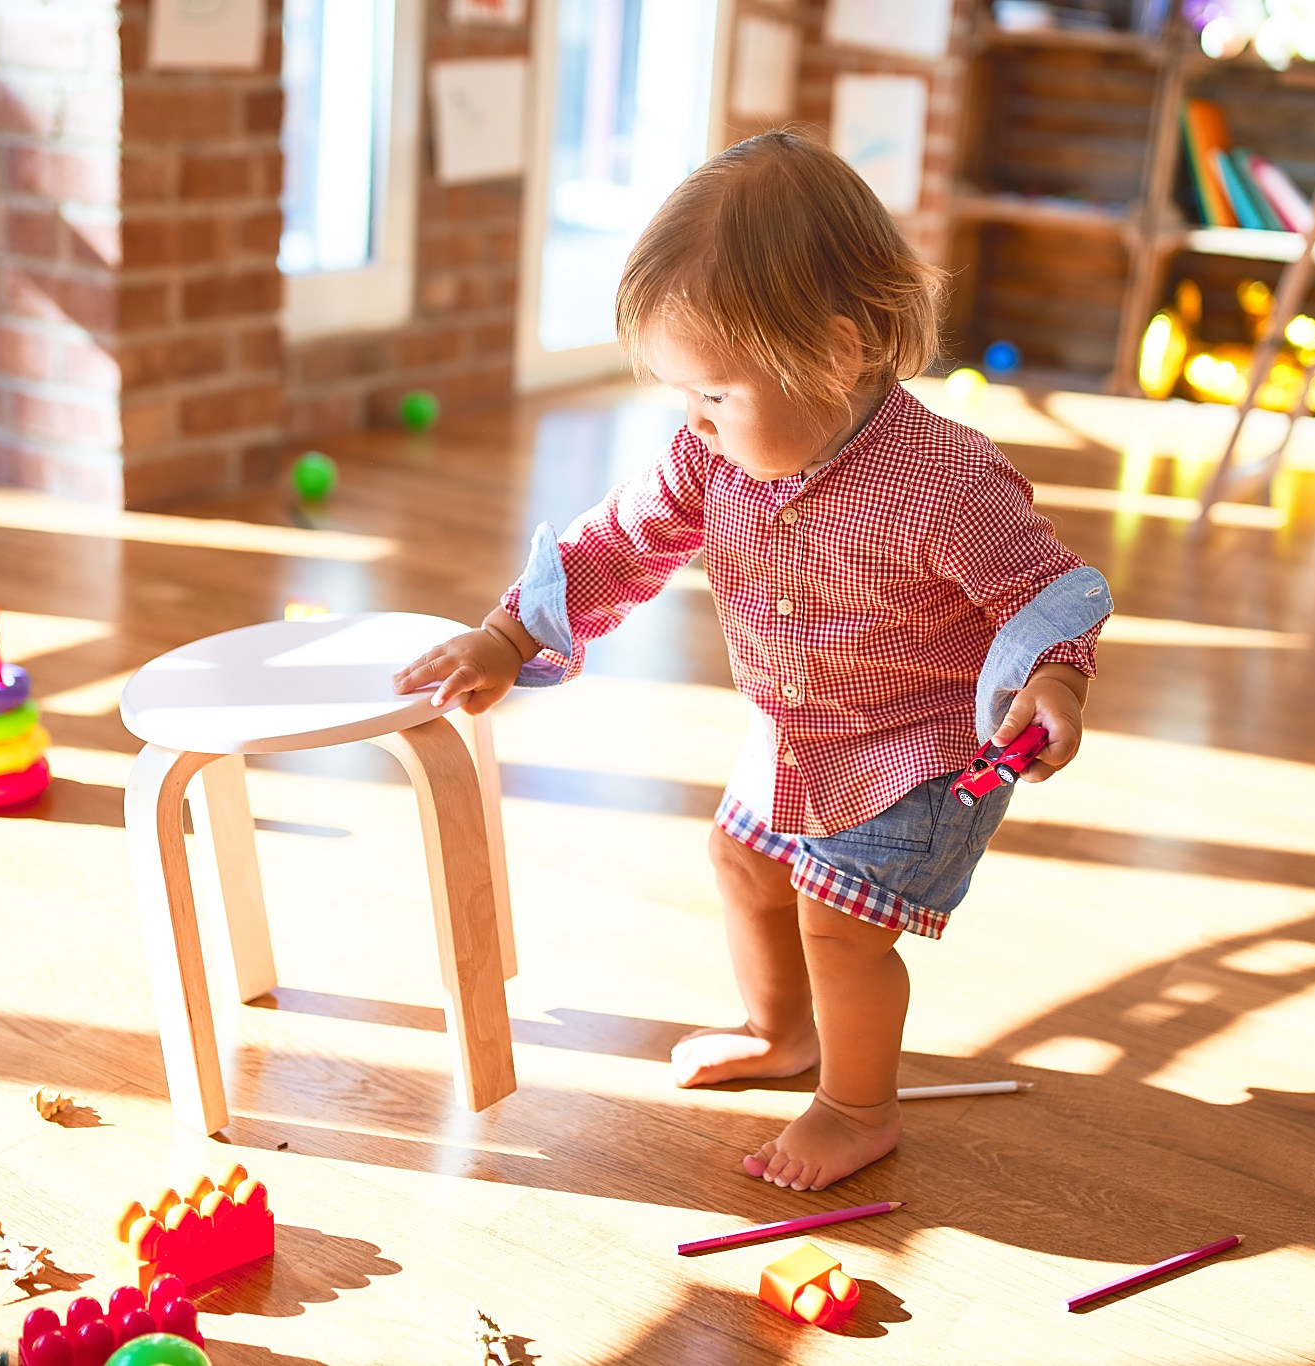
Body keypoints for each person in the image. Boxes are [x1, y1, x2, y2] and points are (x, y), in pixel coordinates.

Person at [395, 130, 1110, 1191]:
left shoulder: (946, 482)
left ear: (833, 350)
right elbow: (616, 542)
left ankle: (855, 1107)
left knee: (840, 925)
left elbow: (1039, 588)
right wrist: (509, 635)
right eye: (684, 394)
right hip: (794, 729)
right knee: (739, 862)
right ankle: (781, 1034)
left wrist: (1051, 677)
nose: (694, 419)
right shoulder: (706, 454)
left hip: (915, 749)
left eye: (717, 394)